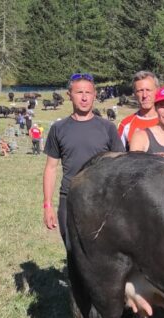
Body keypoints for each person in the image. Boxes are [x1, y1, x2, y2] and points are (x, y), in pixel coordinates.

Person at [42, 73, 125, 244]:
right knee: (72, 252)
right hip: (70, 199)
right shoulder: (58, 129)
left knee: (101, 256)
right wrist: (48, 205)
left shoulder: (107, 128)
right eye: (79, 92)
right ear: (69, 95)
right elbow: (50, 168)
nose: (85, 98)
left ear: (95, 95)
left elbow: (121, 167)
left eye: (88, 92)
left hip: (101, 200)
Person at [116, 71, 164, 150]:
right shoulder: (126, 124)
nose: (144, 95)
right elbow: (118, 157)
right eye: (140, 91)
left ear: (157, 91)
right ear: (134, 93)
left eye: (148, 90)